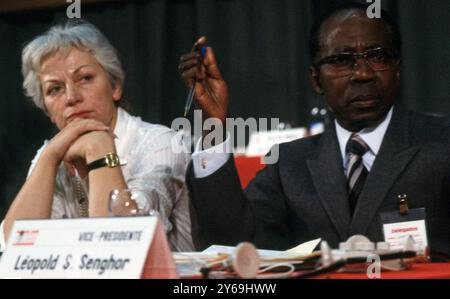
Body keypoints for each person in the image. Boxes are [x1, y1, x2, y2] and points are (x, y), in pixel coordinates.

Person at [178, 3, 450, 255]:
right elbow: (231, 245)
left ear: (397, 69)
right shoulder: (288, 165)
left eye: (377, 57)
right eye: (342, 60)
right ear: (316, 80)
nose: (363, 73)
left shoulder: (441, 141)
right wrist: (213, 126)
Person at [0, 20, 194, 252]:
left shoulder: (162, 144)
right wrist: (50, 157)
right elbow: (15, 250)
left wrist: (99, 149)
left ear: (115, 87)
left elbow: (120, 247)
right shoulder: (49, 154)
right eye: (55, 89)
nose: (71, 97)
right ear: (47, 110)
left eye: (85, 78)